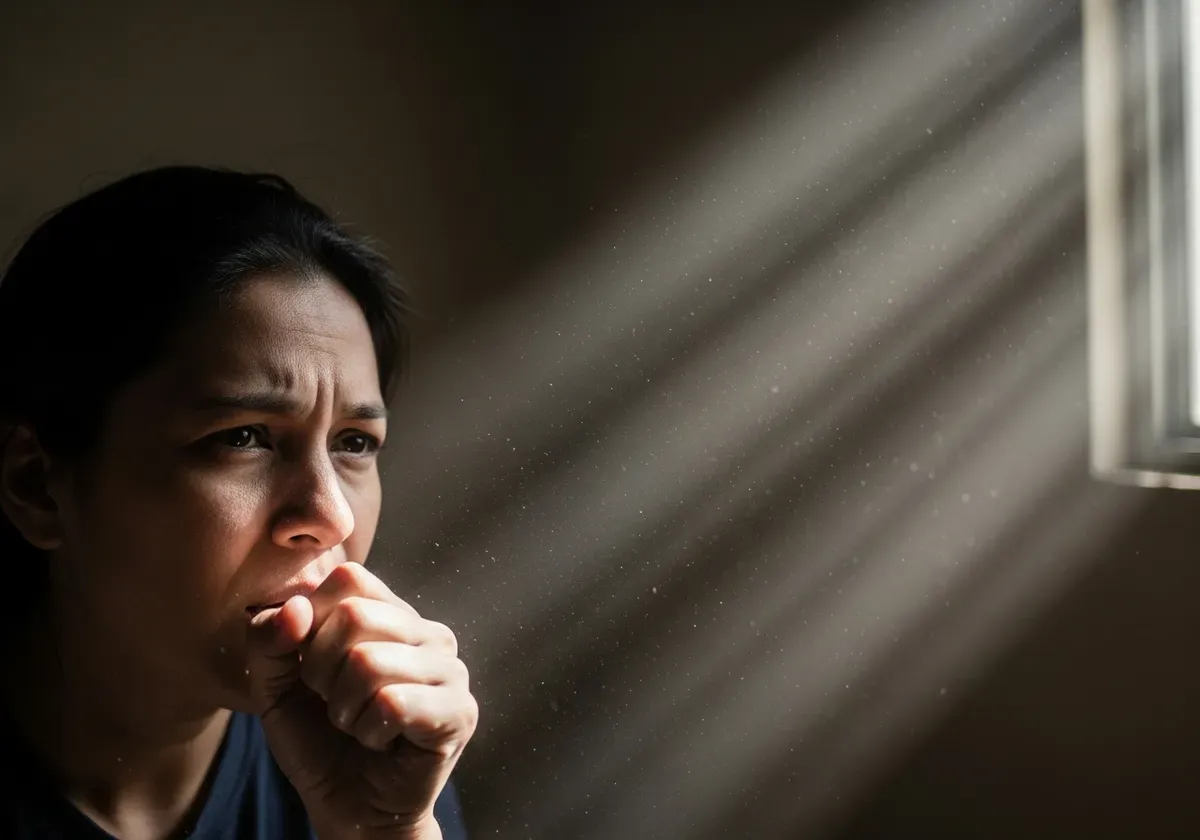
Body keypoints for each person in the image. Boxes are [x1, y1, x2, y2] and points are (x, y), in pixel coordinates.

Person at [0, 167, 477, 839]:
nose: (331, 516)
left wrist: (388, 829)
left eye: (354, 443)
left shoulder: (364, 754)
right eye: (243, 438)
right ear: (37, 485)